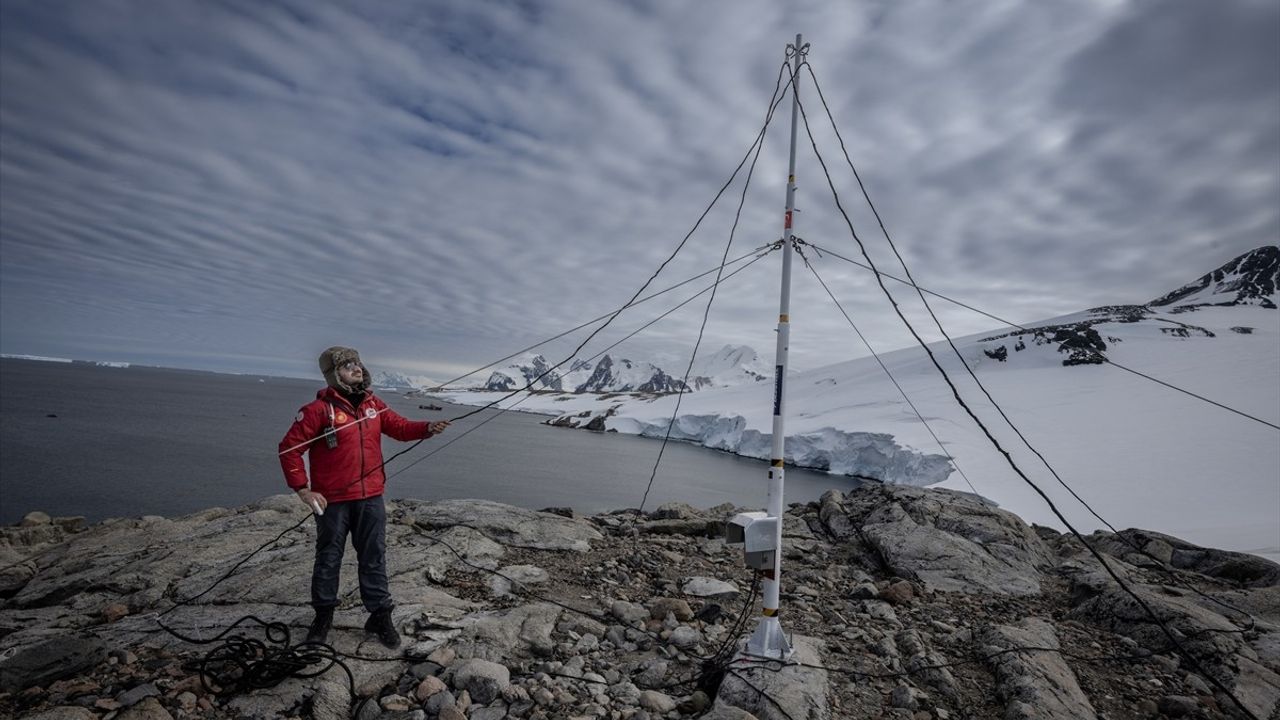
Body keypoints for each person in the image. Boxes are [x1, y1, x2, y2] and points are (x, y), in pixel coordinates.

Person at [278, 346, 448, 648]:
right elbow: (289, 449)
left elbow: (399, 428)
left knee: (374, 556)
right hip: (332, 501)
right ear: (334, 375)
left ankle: (380, 616)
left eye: (357, 363)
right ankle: (323, 617)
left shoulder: (373, 404)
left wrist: (427, 428)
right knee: (329, 558)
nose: (356, 368)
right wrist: (303, 489)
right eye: (347, 366)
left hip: (371, 497)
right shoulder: (318, 410)